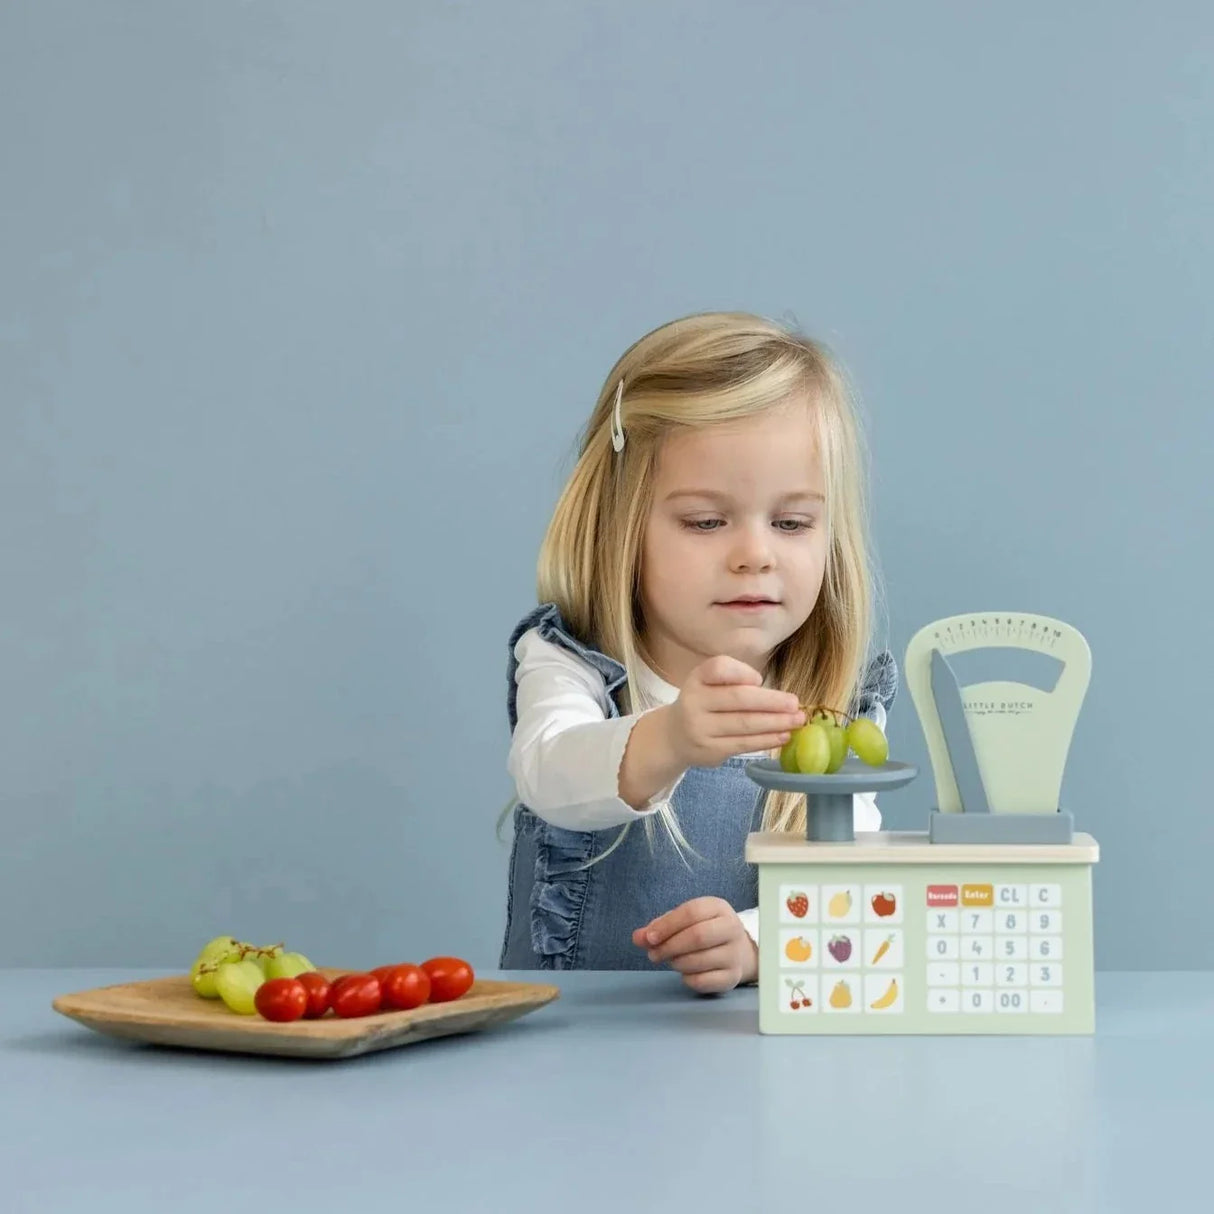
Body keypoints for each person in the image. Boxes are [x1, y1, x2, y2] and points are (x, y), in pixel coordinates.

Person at [497, 311, 898, 993]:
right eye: (706, 522)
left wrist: (753, 944)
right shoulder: (571, 663)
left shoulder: (835, 713)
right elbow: (548, 772)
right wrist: (670, 737)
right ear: (621, 529)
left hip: (744, 1057)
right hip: (569, 1052)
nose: (754, 555)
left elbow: (852, 891)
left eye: (792, 522)